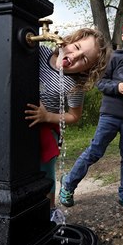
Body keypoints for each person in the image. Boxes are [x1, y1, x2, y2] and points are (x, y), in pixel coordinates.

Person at [59, 19, 123, 213]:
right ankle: (68, 184)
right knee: (95, 151)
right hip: (110, 115)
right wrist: (117, 87)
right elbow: (100, 83)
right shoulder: (113, 58)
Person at [24, 28, 111, 216]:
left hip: (47, 129)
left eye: (84, 60)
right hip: (22, 123)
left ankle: (49, 211)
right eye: (77, 47)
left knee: (46, 173)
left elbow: (74, 116)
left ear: (88, 70)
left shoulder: (74, 86)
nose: (76, 56)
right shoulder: (41, 53)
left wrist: (47, 116)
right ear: (68, 41)